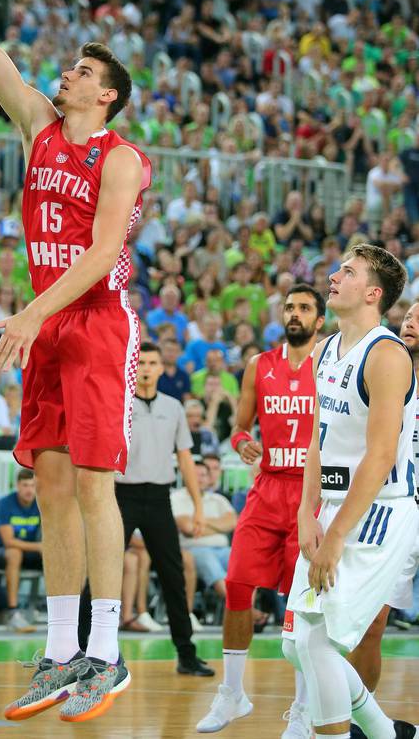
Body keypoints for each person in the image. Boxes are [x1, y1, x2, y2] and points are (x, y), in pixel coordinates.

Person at [0, 0, 152, 722]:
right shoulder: (35, 124)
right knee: (50, 483)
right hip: (46, 326)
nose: (68, 74)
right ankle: (61, 652)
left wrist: (30, 310)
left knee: (95, 482)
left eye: (85, 71)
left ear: (108, 95)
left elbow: (102, 254)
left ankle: (108, 653)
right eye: (70, 67)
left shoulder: (120, 156)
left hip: (94, 321)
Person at [281, 245, 418, 739]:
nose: (333, 276)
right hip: (335, 506)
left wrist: (336, 535)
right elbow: (317, 439)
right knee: (294, 644)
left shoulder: (387, 356)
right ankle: (387, 734)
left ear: (372, 293)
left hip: (379, 510)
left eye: (348, 271)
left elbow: (380, 458)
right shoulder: (325, 349)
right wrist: (305, 510)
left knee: (316, 643)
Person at [197, 284, 325, 736]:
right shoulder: (258, 365)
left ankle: (305, 707)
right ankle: (232, 693)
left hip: (311, 494)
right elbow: (237, 427)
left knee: (302, 602)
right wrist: (243, 443)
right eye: (289, 307)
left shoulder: (331, 363)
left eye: (305, 308)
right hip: (267, 488)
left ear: (319, 320)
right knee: (235, 583)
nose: (295, 314)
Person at [84, 341, 213, 676]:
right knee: (100, 569)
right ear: (133, 366)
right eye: (140, 362)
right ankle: (83, 651)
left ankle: (186, 653)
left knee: (173, 575)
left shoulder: (174, 407)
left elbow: (185, 458)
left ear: (160, 368)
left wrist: (198, 505)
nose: (146, 368)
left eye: (152, 363)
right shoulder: (118, 403)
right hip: (121, 496)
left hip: (159, 497)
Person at [341, 300, 419, 739]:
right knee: (372, 624)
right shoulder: (384, 370)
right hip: (396, 509)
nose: (410, 320)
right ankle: (360, 723)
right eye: (408, 314)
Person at [0, 469, 42, 633]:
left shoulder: (40, 503)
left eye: (32, 485)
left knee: (55, 556)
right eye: (25, 485)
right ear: (17, 486)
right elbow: (8, 541)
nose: (29, 490)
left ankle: (62, 611)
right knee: (14, 553)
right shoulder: (6, 503)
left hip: (27, 551)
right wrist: (39, 547)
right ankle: (13, 612)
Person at [171, 460, 236, 601]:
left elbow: (232, 523)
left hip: (224, 550)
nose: (199, 479)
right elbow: (188, 529)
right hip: (193, 550)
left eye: (203, 475)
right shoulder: (176, 498)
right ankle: (243, 608)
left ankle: (244, 608)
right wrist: (219, 526)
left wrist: (200, 522)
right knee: (209, 561)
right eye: (195, 475)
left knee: (244, 562)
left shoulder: (219, 499)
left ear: (209, 478)